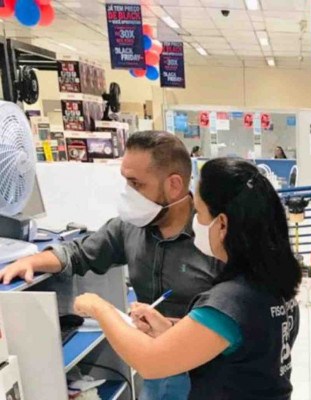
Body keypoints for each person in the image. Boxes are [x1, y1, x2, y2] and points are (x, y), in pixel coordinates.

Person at [0, 131, 221, 400]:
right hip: (154, 372)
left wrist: (101, 309)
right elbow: (79, 253)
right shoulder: (130, 227)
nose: (128, 194)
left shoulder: (214, 237)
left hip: (206, 375)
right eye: (126, 182)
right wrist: (31, 260)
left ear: (174, 185)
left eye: (136, 184)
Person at [73, 158, 302, 400]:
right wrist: (170, 330)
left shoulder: (232, 300)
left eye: (200, 213)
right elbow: (241, 342)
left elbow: (150, 362)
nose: (195, 224)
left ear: (222, 224)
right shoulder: (272, 282)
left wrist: (99, 308)